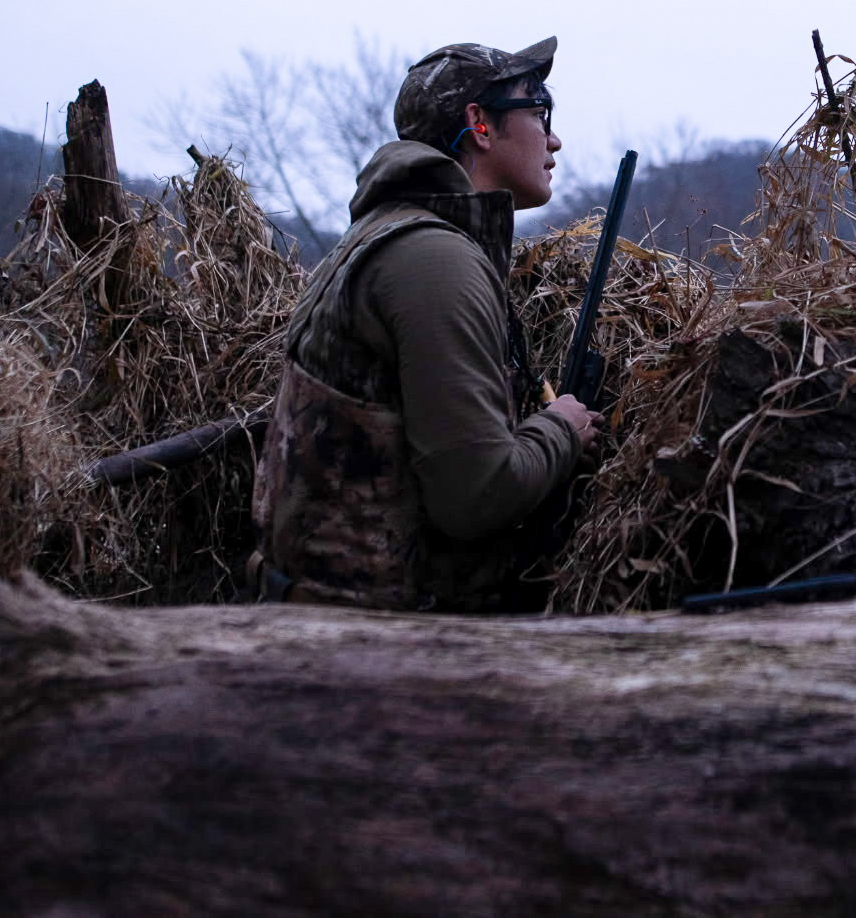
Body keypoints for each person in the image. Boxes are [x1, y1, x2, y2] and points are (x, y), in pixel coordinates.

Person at [250, 35, 602, 610]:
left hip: (337, 623)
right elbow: (476, 495)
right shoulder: (435, 261)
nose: (554, 138)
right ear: (480, 125)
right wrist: (561, 427)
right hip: (378, 645)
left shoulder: (391, 235)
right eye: (539, 110)